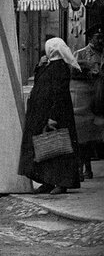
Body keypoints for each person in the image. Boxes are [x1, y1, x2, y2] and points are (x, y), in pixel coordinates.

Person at [19, 37, 82, 195]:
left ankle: (62, 183)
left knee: (59, 150)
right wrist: (40, 66)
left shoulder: (60, 67)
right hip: (43, 115)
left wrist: (53, 116)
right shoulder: (51, 66)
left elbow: (59, 95)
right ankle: (48, 181)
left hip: (56, 117)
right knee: (45, 149)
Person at [72, 24, 103, 179]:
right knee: (84, 135)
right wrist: (89, 72)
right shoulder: (81, 54)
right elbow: (73, 73)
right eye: (98, 37)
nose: (101, 40)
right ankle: (84, 168)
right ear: (90, 38)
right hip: (87, 98)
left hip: (101, 98)